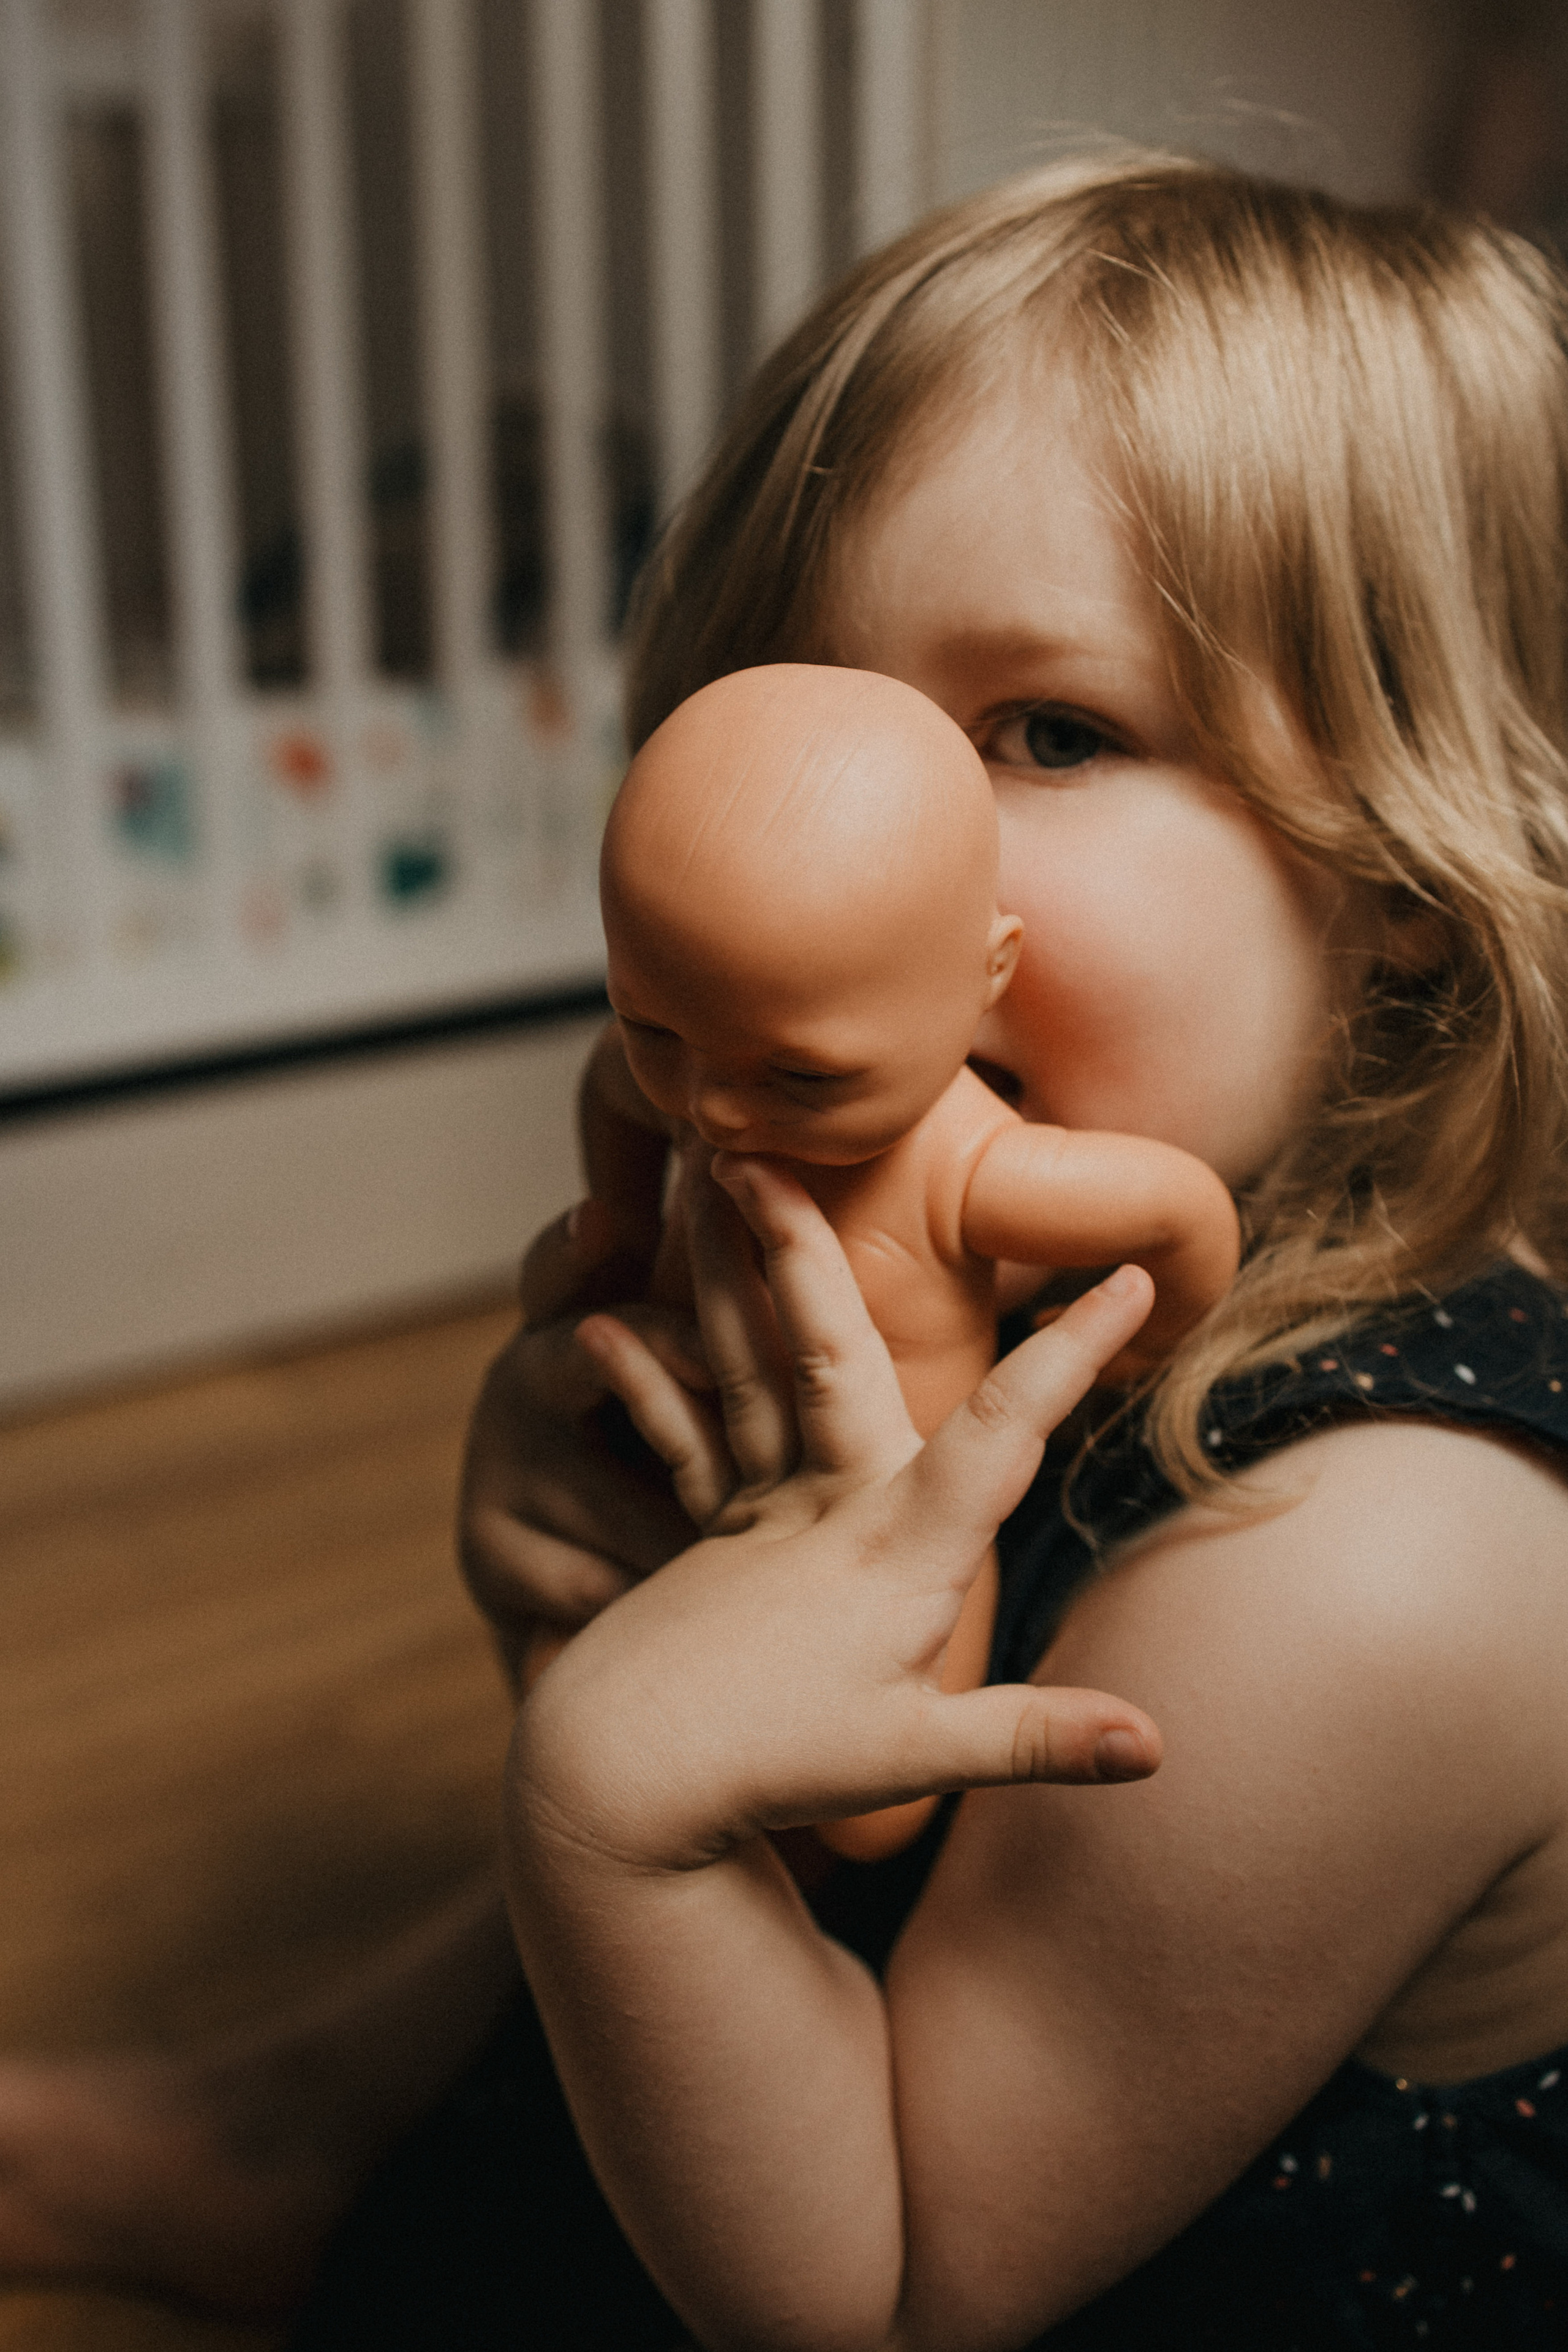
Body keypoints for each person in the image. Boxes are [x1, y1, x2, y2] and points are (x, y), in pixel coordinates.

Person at [2, 149, 1567, 2351]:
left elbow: (899, 2290)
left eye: (1050, 732)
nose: (856, 850)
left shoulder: (1372, 1574)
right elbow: (807, 1788)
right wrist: (613, 1606)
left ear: (1408, 851)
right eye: (799, 701)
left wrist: (617, 1806)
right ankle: (278, 2135)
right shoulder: (983, 1237)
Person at [548, 660, 1237, 1860]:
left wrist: (1158, 1348)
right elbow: (611, 1087)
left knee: (873, 1817)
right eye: (656, 1028)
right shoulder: (715, 1051)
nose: (710, 1111)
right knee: (597, 1683)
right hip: (704, 1457)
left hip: (905, 1525)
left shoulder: (969, 1169)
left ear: (986, 976)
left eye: (801, 1076)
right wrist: (609, 1227)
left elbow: (1179, 1211)